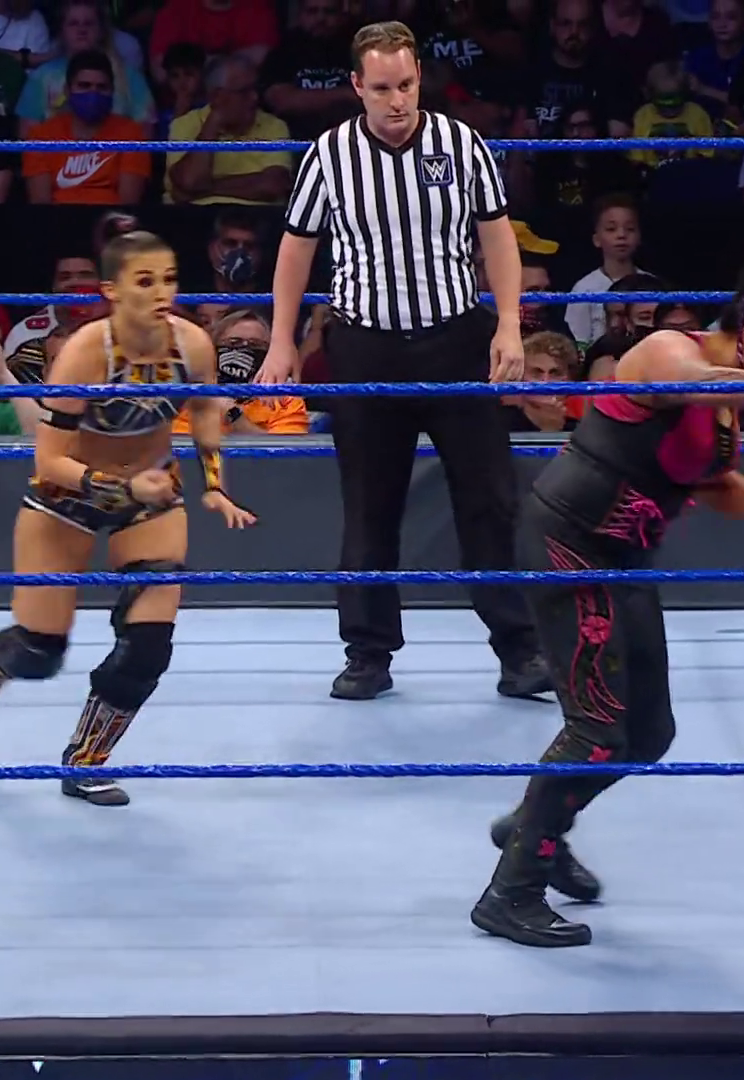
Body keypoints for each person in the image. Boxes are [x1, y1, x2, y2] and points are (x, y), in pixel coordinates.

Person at [472, 262, 744, 949]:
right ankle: (511, 892)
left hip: (623, 558)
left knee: (649, 734)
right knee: (598, 728)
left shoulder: (729, 410)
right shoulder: (668, 351)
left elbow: (712, 484)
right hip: (570, 543)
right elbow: (697, 383)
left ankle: (533, 827)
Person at [256, 20, 549, 702]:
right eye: (383, 88)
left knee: (490, 500)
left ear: (421, 80)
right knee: (369, 506)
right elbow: (296, 248)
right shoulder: (329, 154)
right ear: (357, 86)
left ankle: (520, 649)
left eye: (407, 85)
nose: (397, 101)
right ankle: (368, 653)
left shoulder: (460, 142)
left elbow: (497, 236)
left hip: (455, 340)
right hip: (366, 348)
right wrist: (281, 339)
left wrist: (509, 324)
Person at [0, 230, 256, 808]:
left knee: (148, 648)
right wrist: (119, 486)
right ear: (112, 291)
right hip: (67, 496)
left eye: (169, 279)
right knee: (39, 652)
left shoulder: (192, 344)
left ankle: (86, 760)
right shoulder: (85, 353)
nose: (162, 292)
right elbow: (49, 461)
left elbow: (206, 413)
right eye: (145, 281)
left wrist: (215, 485)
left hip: (151, 494)